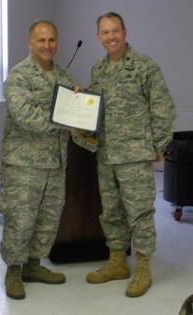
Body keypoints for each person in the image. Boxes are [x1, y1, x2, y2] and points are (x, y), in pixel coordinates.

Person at [85, 12, 176, 297]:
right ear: (98, 36)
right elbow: (93, 109)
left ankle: (144, 266)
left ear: (125, 32)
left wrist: (158, 146)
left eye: (116, 31)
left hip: (134, 155)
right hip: (106, 154)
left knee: (140, 213)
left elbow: (163, 108)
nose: (111, 37)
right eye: (105, 32)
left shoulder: (144, 66)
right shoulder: (98, 69)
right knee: (111, 212)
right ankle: (117, 262)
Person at [0, 19, 74, 300]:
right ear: (30, 42)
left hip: (55, 162)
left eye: (51, 40)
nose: (47, 45)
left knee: (48, 217)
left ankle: (33, 264)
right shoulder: (19, 76)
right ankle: (14, 270)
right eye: (41, 40)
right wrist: (65, 123)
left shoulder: (64, 76)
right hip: (24, 164)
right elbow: (25, 116)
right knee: (20, 218)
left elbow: (71, 111)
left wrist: (79, 106)